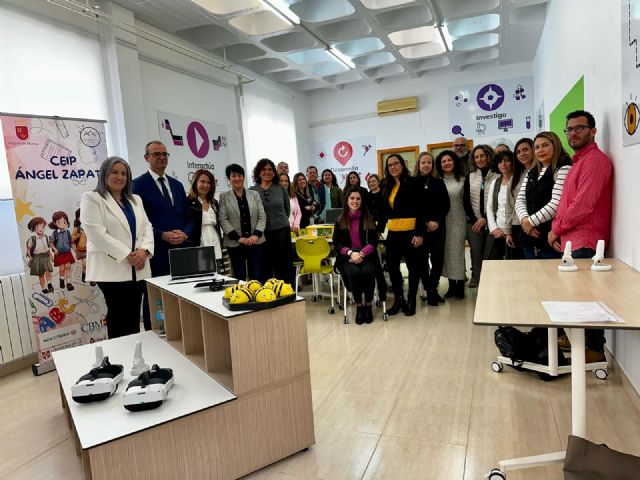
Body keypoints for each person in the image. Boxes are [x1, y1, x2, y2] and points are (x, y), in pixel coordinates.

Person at [549, 110, 613, 362]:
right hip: (570, 239)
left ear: (593, 131)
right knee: (575, 298)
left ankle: (595, 350)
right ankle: (579, 339)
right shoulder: (578, 162)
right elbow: (567, 202)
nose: (573, 133)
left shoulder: (595, 161)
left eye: (579, 128)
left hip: (586, 241)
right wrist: (559, 230)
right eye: (569, 129)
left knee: (588, 299)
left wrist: (556, 228)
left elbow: (583, 206)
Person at [81, 157, 154, 339]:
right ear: (104, 173)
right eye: (114, 172)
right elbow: (96, 234)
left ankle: (136, 357)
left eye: (123, 173)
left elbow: (147, 227)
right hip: (111, 269)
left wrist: (144, 251)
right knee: (119, 316)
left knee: (133, 317)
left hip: (138, 268)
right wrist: (128, 255)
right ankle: (120, 359)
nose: (119, 177)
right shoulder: (92, 198)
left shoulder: (135, 199)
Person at [133, 140, 192, 330]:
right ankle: (155, 336)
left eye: (165, 154)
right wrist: (162, 235)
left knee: (180, 296)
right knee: (155, 298)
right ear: (146, 158)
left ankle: (180, 331)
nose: (161, 157)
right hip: (155, 253)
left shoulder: (177, 184)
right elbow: (139, 223)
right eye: (157, 154)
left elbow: (188, 217)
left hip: (180, 252)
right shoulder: (137, 186)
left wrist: (186, 233)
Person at [378, 154, 426, 316]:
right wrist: (378, 229)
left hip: (411, 232)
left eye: (396, 163)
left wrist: (419, 233)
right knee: (392, 267)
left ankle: (411, 298)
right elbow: (384, 211)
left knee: (413, 267)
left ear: (403, 165)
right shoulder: (386, 184)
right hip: (393, 233)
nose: (393, 167)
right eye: (390, 165)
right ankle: (399, 299)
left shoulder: (414, 182)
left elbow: (421, 209)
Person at [515, 131, 572, 259]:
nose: (540, 150)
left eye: (545, 145)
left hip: (551, 240)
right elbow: (520, 200)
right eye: (537, 147)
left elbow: (557, 203)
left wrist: (531, 221)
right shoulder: (532, 172)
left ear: (555, 145)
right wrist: (525, 221)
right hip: (529, 237)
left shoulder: (563, 168)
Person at [333, 188, 380, 325]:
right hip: (347, 257)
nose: (355, 201)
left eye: (358, 199)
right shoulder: (340, 220)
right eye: (352, 198)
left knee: (368, 271)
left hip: (367, 256)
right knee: (353, 272)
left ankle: (369, 305)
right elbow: (337, 244)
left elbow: (373, 242)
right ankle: (359, 306)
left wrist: (361, 253)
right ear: (347, 201)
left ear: (361, 201)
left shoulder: (368, 218)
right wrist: (350, 253)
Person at [414, 152, 450, 305]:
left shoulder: (438, 182)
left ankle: (432, 289)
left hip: (438, 227)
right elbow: (413, 207)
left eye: (429, 162)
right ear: (418, 164)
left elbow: (446, 205)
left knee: (438, 260)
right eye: (423, 162)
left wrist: (436, 221)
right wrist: (425, 223)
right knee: (421, 261)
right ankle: (430, 290)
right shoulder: (412, 182)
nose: (426, 165)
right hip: (421, 229)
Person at [219, 163, 266, 281]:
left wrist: (256, 235)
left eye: (240, 175)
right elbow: (223, 219)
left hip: (255, 241)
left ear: (243, 177)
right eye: (233, 176)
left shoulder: (254, 194)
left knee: (256, 275)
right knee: (238, 277)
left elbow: (262, 216)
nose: (237, 178)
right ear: (229, 178)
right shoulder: (224, 197)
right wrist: (238, 238)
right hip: (235, 243)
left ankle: (257, 297)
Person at [251, 158, 294, 283]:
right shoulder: (252, 190)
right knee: (265, 266)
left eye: (270, 169)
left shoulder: (280, 189)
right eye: (263, 169)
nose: (267, 172)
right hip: (262, 234)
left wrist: (278, 221)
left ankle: (286, 291)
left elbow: (287, 210)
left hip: (281, 231)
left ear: (274, 172)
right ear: (258, 172)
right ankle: (268, 294)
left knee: (283, 265)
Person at [463, 144, 495, 288]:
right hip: (474, 223)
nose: (479, 159)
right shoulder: (470, 176)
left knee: (490, 255)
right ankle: (477, 279)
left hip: (492, 222)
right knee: (476, 255)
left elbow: (497, 200)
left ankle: (490, 282)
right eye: (476, 157)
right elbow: (466, 200)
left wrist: (486, 219)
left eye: (482, 155)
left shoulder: (497, 175)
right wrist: (476, 220)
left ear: (489, 156)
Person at [437, 150, 467, 299]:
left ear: (454, 162)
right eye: (443, 161)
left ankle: (460, 285)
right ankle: (451, 286)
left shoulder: (462, 179)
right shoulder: (438, 180)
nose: (447, 163)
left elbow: (467, 202)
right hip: (443, 223)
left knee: (458, 253)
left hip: (458, 221)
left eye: (449, 160)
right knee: (447, 254)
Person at [485, 151, 524, 260]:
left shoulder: (519, 180)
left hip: (514, 229)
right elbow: (489, 207)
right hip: (497, 230)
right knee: (492, 263)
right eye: (500, 162)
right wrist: (494, 229)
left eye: (507, 161)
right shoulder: (495, 182)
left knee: (513, 263)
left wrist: (508, 231)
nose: (503, 164)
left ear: (513, 162)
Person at [187, 169, 224, 272]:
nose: (206, 185)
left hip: (215, 243)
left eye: (208, 182)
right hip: (199, 244)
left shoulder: (214, 202)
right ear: (195, 182)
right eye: (202, 181)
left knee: (217, 277)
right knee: (203, 277)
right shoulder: (188, 202)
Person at [505, 138, 534, 259]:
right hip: (517, 227)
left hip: (535, 225)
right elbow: (509, 206)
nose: (522, 154)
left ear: (533, 150)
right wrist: (508, 232)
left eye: (525, 150)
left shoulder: (542, 172)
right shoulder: (515, 177)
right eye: (518, 152)